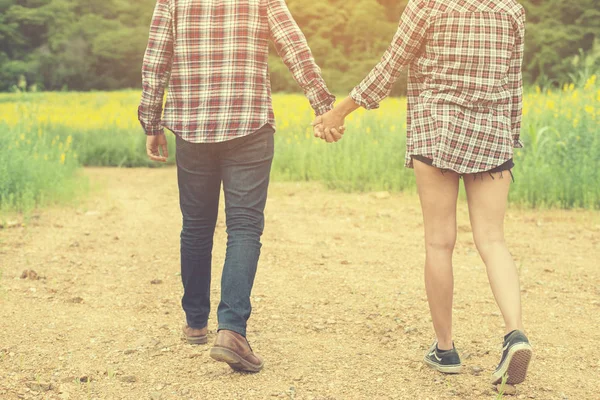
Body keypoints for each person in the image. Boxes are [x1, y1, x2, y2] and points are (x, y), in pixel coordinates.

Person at [314, 0, 533, 385]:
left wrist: (338, 112)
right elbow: (513, 84)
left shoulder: (427, 6)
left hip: (437, 128)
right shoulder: (510, 9)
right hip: (492, 132)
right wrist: (508, 135)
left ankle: (445, 349)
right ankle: (515, 334)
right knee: (494, 240)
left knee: (439, 242)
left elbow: (388, 68)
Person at [138, 0, 335, 373]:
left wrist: (151, 122)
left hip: (192, 124)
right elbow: (292, 44)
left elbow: (155, 58)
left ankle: (195, 322)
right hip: (249, 120)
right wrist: (322, 103)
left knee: (196, 226)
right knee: (243, 226)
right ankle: (231, 330)